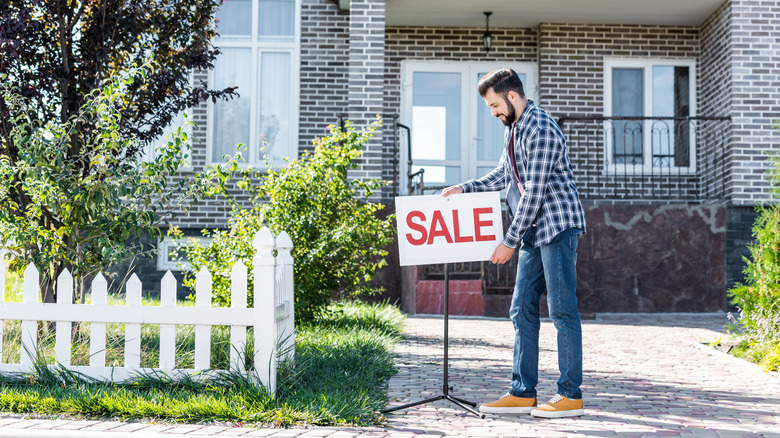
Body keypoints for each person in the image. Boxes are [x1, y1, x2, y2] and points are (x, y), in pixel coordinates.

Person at [441, 68, 587, 418]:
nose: (493, 113)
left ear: (511, 96)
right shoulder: (516, 129)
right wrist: (465, 187)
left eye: (494, 105)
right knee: (521, 309)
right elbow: (502, 175)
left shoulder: (540, 127)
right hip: (535, 231)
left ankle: (570, 395)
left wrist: (509, 241)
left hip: (557, 225)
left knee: (562, 310)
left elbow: (534, 192)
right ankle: (523, 393)